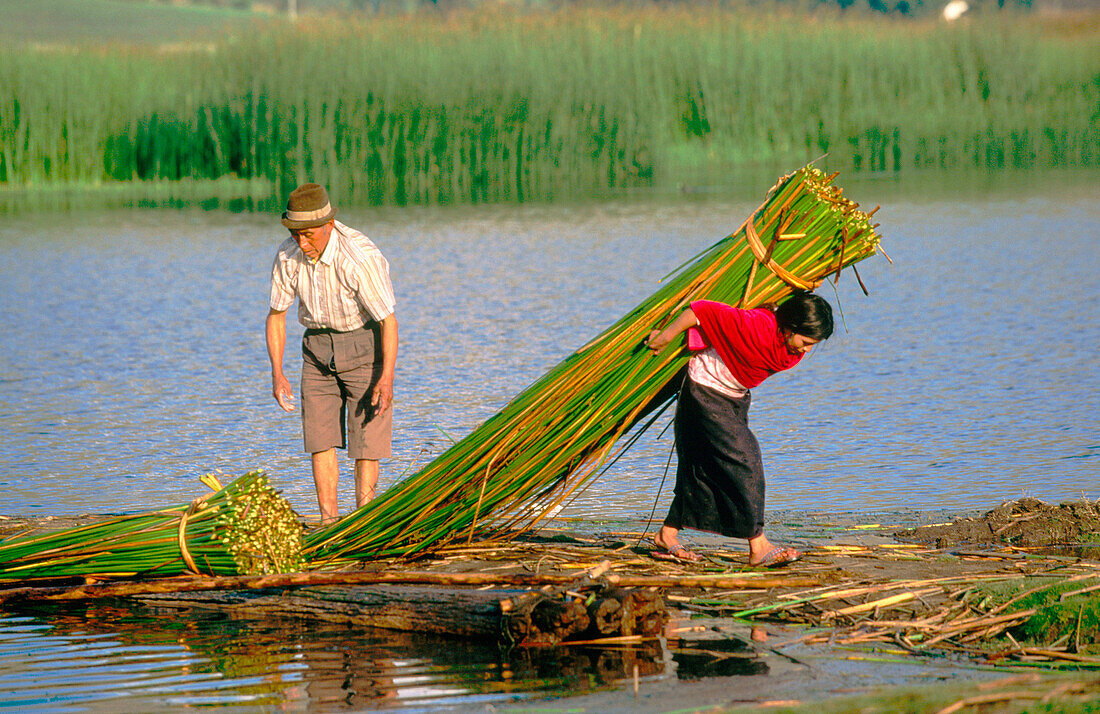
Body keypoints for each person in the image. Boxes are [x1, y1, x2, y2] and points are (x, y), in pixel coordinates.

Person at [645, 290, 833, 567]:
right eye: (806, 342)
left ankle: (667, 535)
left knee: (703, 467)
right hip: (705, 390)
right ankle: (759, 546)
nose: (807, 350)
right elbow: (701, 310)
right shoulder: (756, 325)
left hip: (735, 397)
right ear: (790, 327)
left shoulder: (786, 345)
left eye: (813, 345)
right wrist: (667, 336)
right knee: (746, 460)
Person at [265, 183, 398, 525]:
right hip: (316, 351)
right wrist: (277, 373)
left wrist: (387, 379)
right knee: (319, 438)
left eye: (308, 235)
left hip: (364, 345)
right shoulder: (287, 255)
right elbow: (277, 316)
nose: (302, 243)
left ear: (328, 226)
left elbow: (388, 321)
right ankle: (329, 523)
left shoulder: (359, 257)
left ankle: (362, 523)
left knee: (367, 441)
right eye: (296, 235)